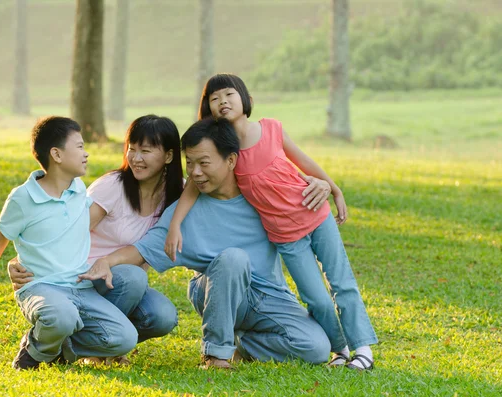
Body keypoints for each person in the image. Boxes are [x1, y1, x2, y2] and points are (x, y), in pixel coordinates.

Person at [78, 117, 332, 370]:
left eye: (204, 163)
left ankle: (243, 345)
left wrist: (323, 184)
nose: (196, 172)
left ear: (231, 160)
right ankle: (216, 355)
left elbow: (293, 183)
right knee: (233, 258)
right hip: (214, 288)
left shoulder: (260, 195)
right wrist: (107, 261)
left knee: (316, 348)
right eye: (190, 163)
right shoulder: (181, 212)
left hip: (268, 295)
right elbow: (143, 248)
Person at [164, 73, 377, 370]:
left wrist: (333, 188)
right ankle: (340, 350)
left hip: (315, 215)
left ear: (246, 99)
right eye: (214, 98)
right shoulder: (225, 153)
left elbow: (304, 161)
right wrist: (174, 225)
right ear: (208, 109)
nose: (223, 101)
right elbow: (191, 188)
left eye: (229, 94)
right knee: (316, 298)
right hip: (285, 236)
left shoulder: (271, 129)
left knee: (342, 283)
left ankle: (363, 351)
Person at [7, 115, 183, 362]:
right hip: (83, 278)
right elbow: (62, 230)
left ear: (168, 156)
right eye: (132, 149)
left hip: (123, 284)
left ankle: (73, 345)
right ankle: (82, 340)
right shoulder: (113, 186)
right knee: (134, 276)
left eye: (146, 150)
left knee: (163, 316)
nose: (136, 158)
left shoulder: (177, 195)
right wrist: (19, 260)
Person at [0, 116, 137, 370]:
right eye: (80, 146)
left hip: (80, 287)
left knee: (125, 339)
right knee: (62, 315)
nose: (87, 153)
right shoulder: (23, 197)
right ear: (57, 155)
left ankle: (60, 346)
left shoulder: (79, 189)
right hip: (40, 287)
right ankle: (35, 350)